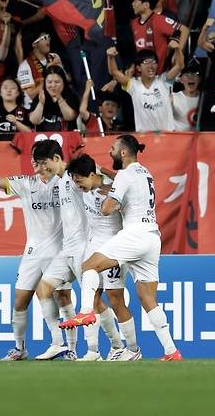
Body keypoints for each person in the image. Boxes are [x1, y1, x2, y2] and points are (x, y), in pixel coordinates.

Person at [59, 134, 182, 362]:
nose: (110, 151)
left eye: (113, 148)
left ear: (124, 152)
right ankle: (171, 351)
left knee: (89, 266)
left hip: (134, 234)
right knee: (147, 297)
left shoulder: (125, 175)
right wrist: (108, 175)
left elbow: (106, 209)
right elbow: (127, 187)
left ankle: (86, 311)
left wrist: (112, 196)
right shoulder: (145, 172)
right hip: (153, 237)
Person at [0, 156, 74, 361]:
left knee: (63, 298)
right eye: (32, 161)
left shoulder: (65, 182)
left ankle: (70, 348)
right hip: (33, 252)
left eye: (37, 161)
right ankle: (20, 349)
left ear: (49, 161)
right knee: (20, 301)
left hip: (59, 251)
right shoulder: (26, 183)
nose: (33, 165)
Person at [32, 139, 116, 361]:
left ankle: (97, 350)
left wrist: (109, 178)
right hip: (65, 250)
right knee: (43, 288)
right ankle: (59, 344)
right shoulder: (58, 182)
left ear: (57, 159)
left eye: (44, 163)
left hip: (84, 248)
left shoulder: (76, 175)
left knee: (93, 302)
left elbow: (103, 180)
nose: (42, 169)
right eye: (39, 164)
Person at [67, 154, 141, 362]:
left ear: (92, 175)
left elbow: (130, 189)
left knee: (116, 299)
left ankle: (133, 349)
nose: (78, 185)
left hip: (115, 246)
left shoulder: (114, 189)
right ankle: (96, 350)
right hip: (94, 245)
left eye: (80, 181)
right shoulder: (86, 185)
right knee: (93, 297)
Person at [108, 46, 184, 132]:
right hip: (144, 137)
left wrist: (177, 48)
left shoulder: (164, 81)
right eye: (146, 62)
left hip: (167, 135)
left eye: (154, 62)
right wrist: (110, 57)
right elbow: (114, 72)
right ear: (139, 68)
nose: (151, 66)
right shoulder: (133, 85)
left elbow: (179, 66)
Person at [130, 0, 187, 75]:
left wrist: (178, 52)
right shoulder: (134, 23)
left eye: (136, 1)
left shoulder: (160, 20)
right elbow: (137, 50)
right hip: (140, 76)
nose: (132, 4)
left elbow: (184, 30)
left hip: (158, 75)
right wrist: (133, 66)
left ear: (146, 5)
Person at [16, 30, 63, 108]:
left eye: (48, 37)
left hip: (56, 102)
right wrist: (48, 72)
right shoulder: (25, 66)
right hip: (35, 107)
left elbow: (67, 79)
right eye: (44, 38)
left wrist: (59, 69)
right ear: (35, 44)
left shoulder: (54, 57)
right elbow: (31, 94)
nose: (48, 40)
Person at [29, 66, 79, 132]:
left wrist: (60, 99)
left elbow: (70, 117)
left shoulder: (71, 96)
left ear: (63, 82)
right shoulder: (40, 97)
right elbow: (34, 121)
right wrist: (41, 103)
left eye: (57, 82)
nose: (53, 85)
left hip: (67, 138)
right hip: (43, 139)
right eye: (49, 82)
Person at [172, 62, 200, 131]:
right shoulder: (173, 98)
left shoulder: (205, 99)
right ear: (180, 80)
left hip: (200, 140)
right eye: (187, 74)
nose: (191, 77)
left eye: (195, 74)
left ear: (200, 79)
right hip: (179, 139)